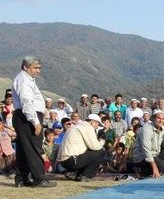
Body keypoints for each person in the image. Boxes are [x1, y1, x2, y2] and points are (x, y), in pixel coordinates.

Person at [11, 56, 56, 187]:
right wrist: (35, 121)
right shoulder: (24, 80)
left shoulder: (26, 79)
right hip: (28, 116)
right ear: (26, 67)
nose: (38, 71)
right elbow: (27, 102)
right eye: (35, 68)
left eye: (39, 68)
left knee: (23, 148)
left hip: (24, 116)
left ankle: (22, 177)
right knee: (34, 147)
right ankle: (39, 179)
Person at [56, 114, 106, 182]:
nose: (97, 127)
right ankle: (86, 176)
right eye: (97, 124)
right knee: (101, 152)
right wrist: (102, 141)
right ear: (93, 122)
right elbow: (95, 147)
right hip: (72, 160)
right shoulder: (87, 127)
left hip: (64, 161)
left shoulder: (77, 126)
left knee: (90, 152)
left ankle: (74, 173)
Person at [133, 110, 164, 178]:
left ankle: (158, 169)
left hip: (155, 154)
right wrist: (155, 168)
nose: (160, 120)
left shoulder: (162, 128)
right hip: (142, 157)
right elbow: (146, 150)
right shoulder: (146, 130)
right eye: (158, 118)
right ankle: (141, 169)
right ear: (153, 118)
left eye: (163, 119)